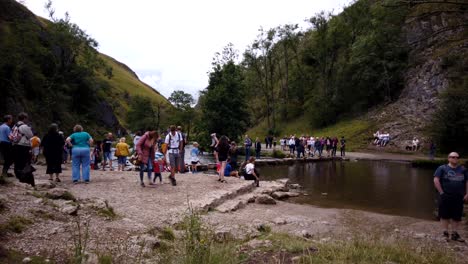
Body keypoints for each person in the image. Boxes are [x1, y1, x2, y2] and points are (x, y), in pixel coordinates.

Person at [433, 152, 468, 242]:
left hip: (459, 196)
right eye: (453, 157)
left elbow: (467, 182)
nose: (455, 159)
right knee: (444, 215)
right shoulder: (442, 168)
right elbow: (436, 180)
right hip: (445, 195)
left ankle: (454, 234)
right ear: (448, 158)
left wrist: (467, 193)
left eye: (457, 157)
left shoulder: (463, 169)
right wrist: (441, 192)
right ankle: (445, 233)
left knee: (457, 216)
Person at [11, 113, 35, 186]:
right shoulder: (24, 126)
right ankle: (27, 180)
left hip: (15, 146)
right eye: (26, 118)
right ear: (24, 118)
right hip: (23, 146)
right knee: (25, 164)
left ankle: (19, 178)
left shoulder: (15, 126)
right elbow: (31, 135)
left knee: (17, 163)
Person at [0, 115, 14, 179]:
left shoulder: (0, 126)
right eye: (11, 119)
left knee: (6, 158)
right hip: (6, 143)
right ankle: (4, 173)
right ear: (8, 120)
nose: (12, 121)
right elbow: (10, 137)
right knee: (10, 159)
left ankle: (4, 172)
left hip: (1, 143)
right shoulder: (7, 127)